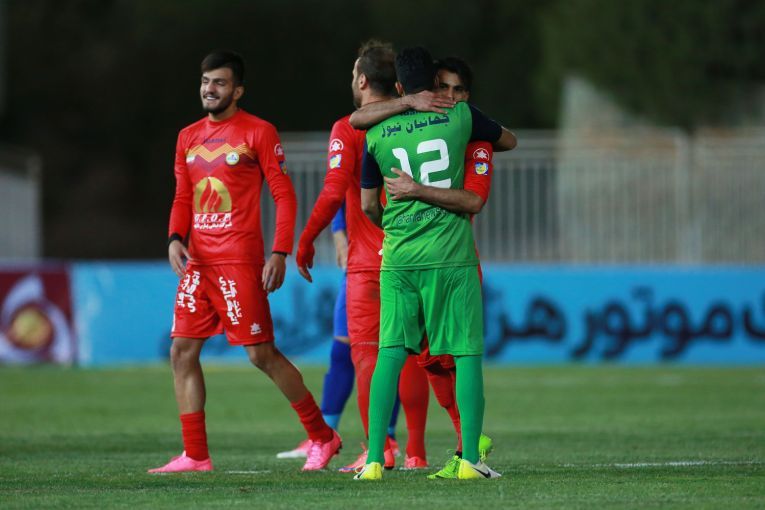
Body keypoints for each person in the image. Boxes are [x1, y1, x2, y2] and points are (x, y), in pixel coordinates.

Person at [149, 50, 340, 474]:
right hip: (198, 263)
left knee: (261, 355)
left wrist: (279, 252)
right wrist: (175, 238)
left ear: (237, 91)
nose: (209, 89)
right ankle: (196, 455)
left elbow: (283, 194)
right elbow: (182, 196)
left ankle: (322, 436)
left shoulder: (258, 132)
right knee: (181, 352)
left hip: (238, 262)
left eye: (219, 82)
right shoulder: (187, 137)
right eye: (205, 81)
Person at [354, 46, 516, 481]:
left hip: (399, 258)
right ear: (434, 84)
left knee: (390, 353)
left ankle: (373, 461)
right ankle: (471, 460)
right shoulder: (461, 117)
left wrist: (396, 224)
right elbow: (507, 139)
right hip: (451, 257)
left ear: (399, 87)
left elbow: (368, 204)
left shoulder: (376, 132)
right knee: (466, 355)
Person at [296, 40, 452, 471]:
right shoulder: (422, 119)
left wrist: (306, 239)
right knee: (417, 355)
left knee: (366, 355)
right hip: (418, 254)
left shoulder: (348, 128)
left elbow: (334, 191)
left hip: (368, 261)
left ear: (362, 80)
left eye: (353, 75)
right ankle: (417, 452)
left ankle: (378, 449)